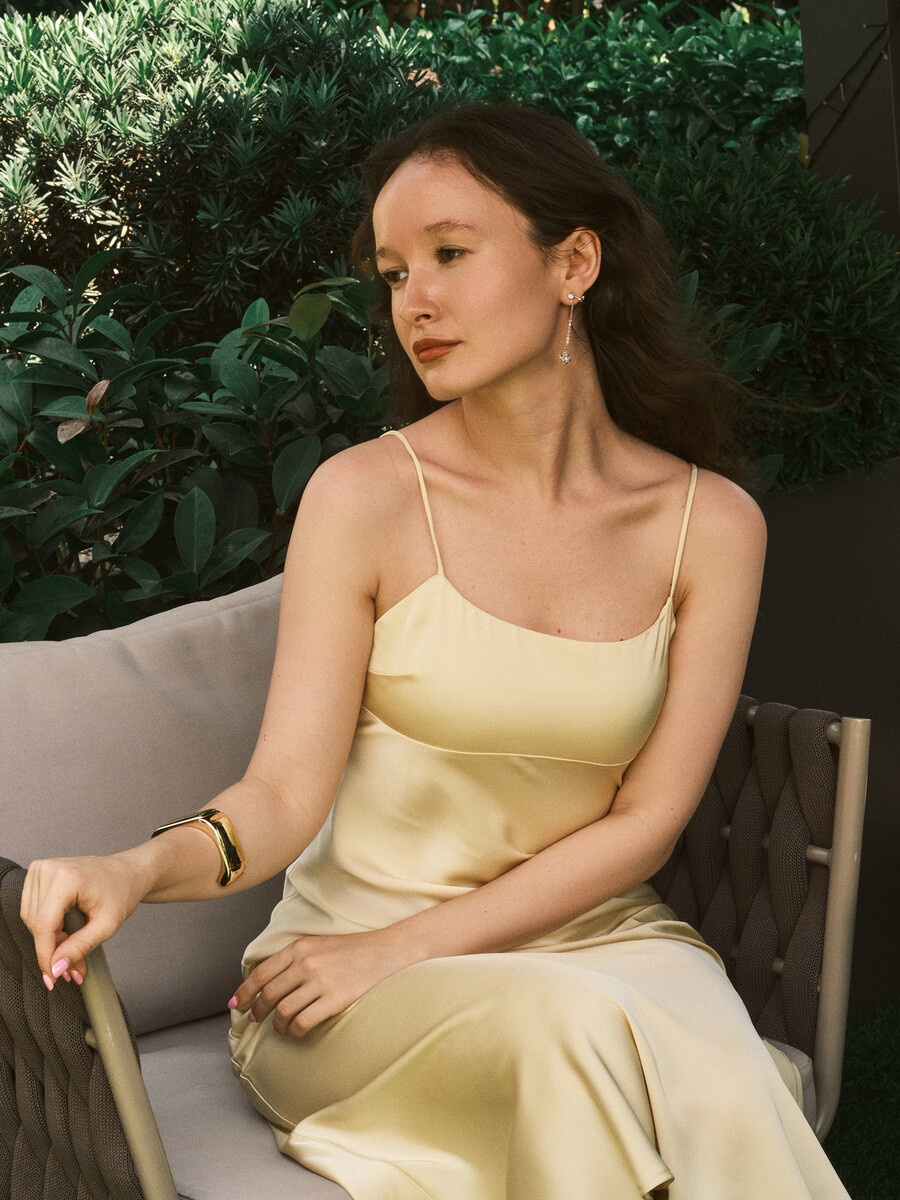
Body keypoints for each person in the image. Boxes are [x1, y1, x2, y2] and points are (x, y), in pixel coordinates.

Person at [21, 103, 852, 1200]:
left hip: (602, 948)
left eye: (450, 254)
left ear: (575, 264)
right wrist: (135, 867)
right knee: (565, 1038)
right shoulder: (365, 498)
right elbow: (280, 796)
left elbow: (646, 823)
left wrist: (416, 942)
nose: (414, 299)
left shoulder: (713, 526)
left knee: (695, 1064)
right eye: (394, 273)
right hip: (344, 978)